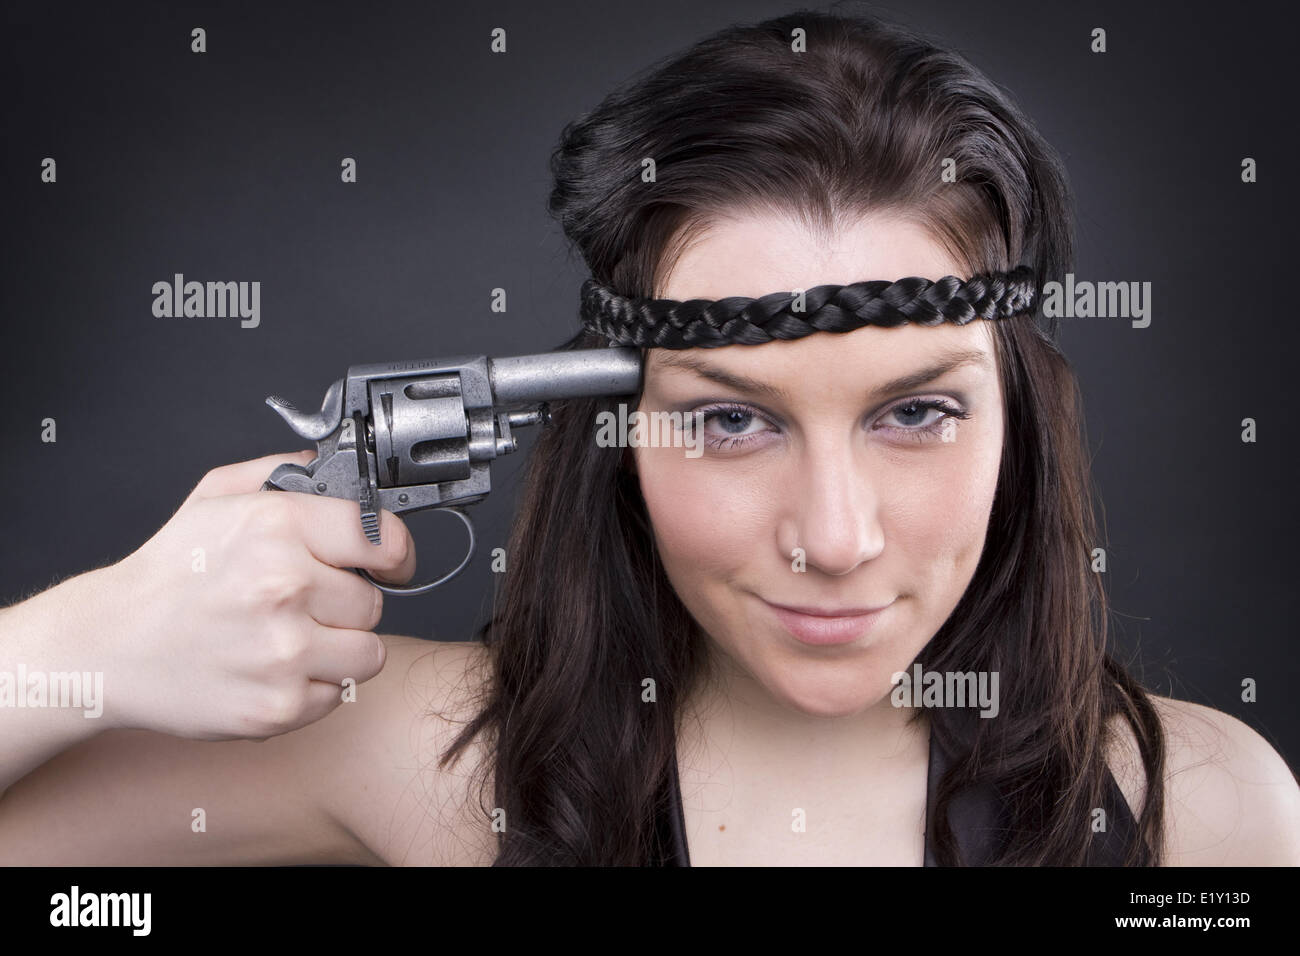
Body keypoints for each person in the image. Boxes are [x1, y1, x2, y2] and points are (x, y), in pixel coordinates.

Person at [1, 8, 1297, 867]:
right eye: (732, 419)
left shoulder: (1213, 814)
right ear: (617, 429)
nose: (835, 540)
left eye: (916, 412)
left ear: (1021, 419)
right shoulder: (419, 753)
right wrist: (83, 641)